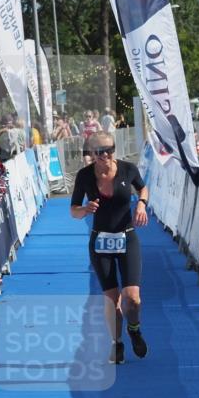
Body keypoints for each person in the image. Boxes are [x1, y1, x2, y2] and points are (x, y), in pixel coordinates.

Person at [69, 131, 149, 364]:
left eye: (109, 150)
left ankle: (134, 329)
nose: (105, 155)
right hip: (100, 241)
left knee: (132, 298)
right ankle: (117, 344)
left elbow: (142, 188)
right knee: (111, 299)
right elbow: (73, 210)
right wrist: (84, 210)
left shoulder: (127, 169)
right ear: (92, 154)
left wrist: (141, 205)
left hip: (127, 238)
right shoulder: (84, 176)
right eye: (100, 152)